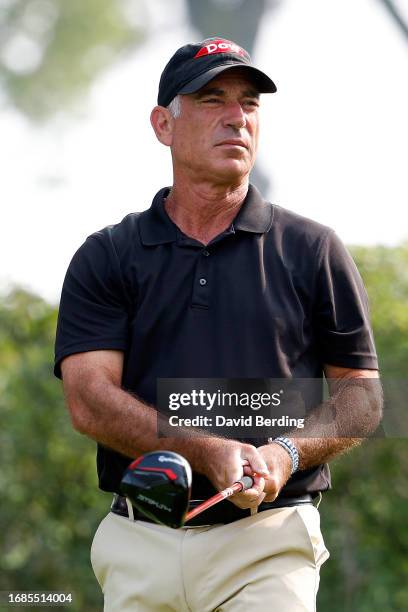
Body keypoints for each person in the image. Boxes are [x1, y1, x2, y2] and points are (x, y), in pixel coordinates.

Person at [54, 37, 382, 611]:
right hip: (141, 538)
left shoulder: (313, 249)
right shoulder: (107, 255)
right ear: (163, 125)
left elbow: (362, 396)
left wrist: (284, 453)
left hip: (269, 542)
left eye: (249, 103)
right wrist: (202, 448)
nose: (237, 117)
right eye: (212, 99)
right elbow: (88, 399)